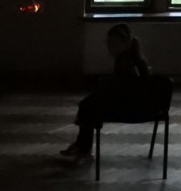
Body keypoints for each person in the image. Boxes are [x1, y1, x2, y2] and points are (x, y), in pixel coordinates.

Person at [60, 23, 152, 161]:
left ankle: (83, 147)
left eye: (115, 45)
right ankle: (82, 146)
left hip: (129, 107)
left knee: (87, 107)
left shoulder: (127, 63)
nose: (110, 48)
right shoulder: (132, 59)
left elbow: (125, 89)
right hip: (133, 103)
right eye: (109, 44)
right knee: (88, 105)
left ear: (127, 44)